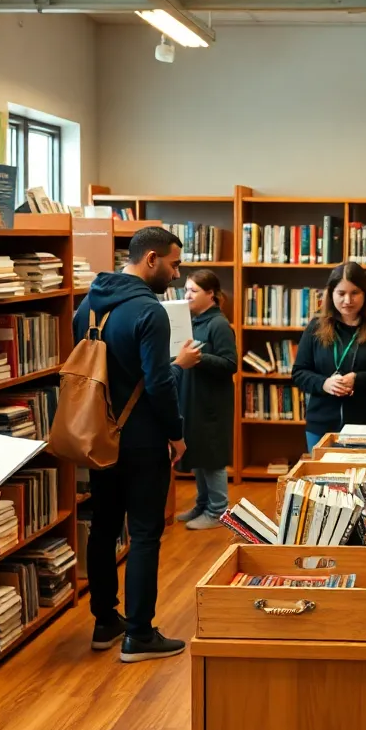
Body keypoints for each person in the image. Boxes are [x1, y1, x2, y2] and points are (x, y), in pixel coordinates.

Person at [74, 226, 187, 662]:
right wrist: (176, 434)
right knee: (144, 534)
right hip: (141, 439)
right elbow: (159, 382)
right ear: (152, 259)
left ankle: (105, 622)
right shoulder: (149, 312)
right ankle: (139, 633)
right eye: (174, 264)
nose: (177, 276)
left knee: (103, 526)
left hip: (97, 434)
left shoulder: (87, 304)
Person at [292, 261, 366, 452]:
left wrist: (358, 380)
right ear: (331, 294)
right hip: (323, 426)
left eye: (355, 293)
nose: (347, 300)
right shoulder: (316, 325)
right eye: (341, 293)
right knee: (324, 480)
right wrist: (324, 384)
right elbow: (299, 373)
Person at [172, 269, 237, 530]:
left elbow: (230, 363)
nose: (187, 295)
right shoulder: (192, 321)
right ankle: (203, 504)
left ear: (211, 294)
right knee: (198, 451)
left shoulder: (218, 324)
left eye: (193, 291)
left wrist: (199, 357)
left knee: (212, 457)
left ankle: (218, 511)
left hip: (212, 402)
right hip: (193, 397)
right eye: (185, 290)